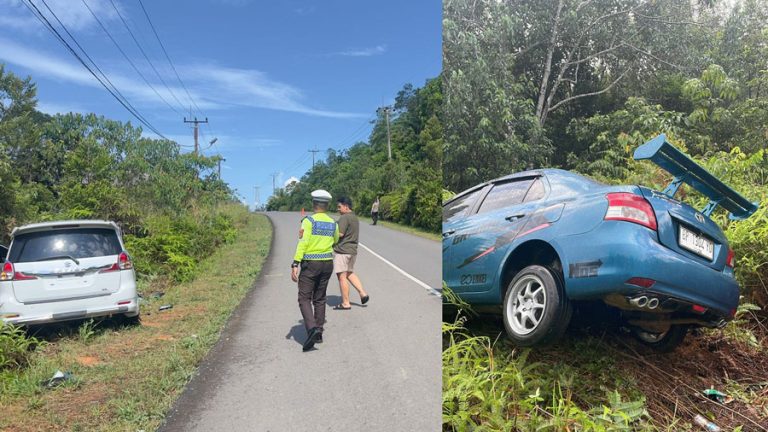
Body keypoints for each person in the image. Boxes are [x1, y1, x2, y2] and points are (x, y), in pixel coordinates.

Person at [291, 189, 339, 351]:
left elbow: (302, 243)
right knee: (320, 297)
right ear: (327, 205)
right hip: (327, 263)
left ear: (314, 204)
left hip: (311, 263)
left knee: (304, 297)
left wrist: (295, 263)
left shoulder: (308, 221)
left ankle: (312, 329)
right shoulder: (333, 222)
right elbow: (336, 239)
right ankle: (319, 332)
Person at [333, 196, 369, 310]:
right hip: (352, 251)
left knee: (341, 277)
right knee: (349, 273)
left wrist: (329, 238)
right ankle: (363, 293)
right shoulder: (354, 217)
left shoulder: (344, 218)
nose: (337, 209)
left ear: (346, 206)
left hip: (343, 251)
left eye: (339, 207)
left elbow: (340, 234)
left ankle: (345, 303)